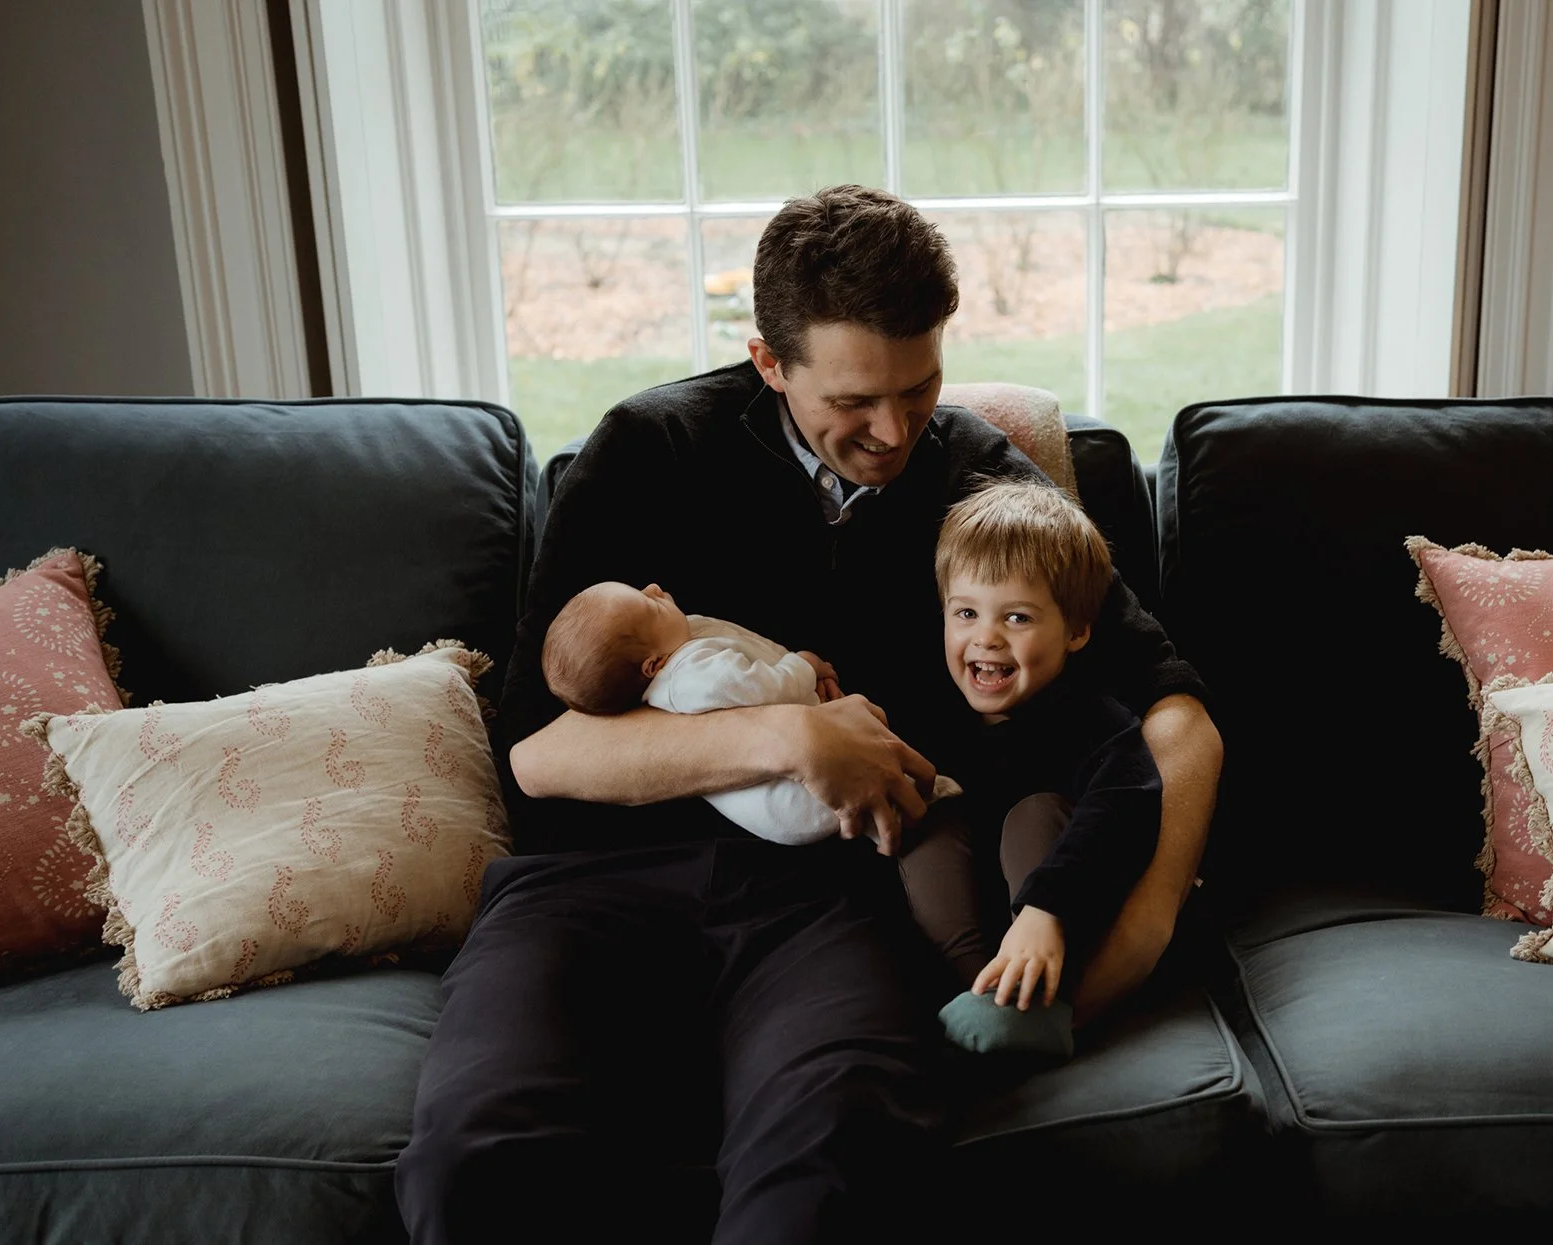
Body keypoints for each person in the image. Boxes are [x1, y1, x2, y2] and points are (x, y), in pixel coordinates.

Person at [395, 184, 1222, 1245]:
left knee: (836, 1162)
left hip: (835, 903)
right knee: (477, 1163)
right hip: (590, 891)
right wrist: (787, 734)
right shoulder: (650, 449)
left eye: (918, 388)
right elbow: (538, 755)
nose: (892, 431)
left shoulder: (979, 480)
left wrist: (1135, 940)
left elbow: (1176, 719)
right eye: (851, 401)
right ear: (768, 363)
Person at [901, 481, 1160, 1061]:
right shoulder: (930, 710)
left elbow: (1125, 806)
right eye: (965, 612)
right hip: (972, 925)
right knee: (932, 824)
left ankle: (1032, 1003)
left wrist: (1048, 910)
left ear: (1075, 631)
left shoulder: (1095, 720)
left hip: (1061, 921)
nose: (984, 637)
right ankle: (981, 994)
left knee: (1034, 813)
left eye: (1016, 617)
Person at [539, 578, 955, 848]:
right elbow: (760, 686)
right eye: (648, 606)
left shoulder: (678, 649)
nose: (653, 588)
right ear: (652, 665)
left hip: (789, 793)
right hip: (789, 800)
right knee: (884, 802)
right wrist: (803, 667)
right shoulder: (691, 675)